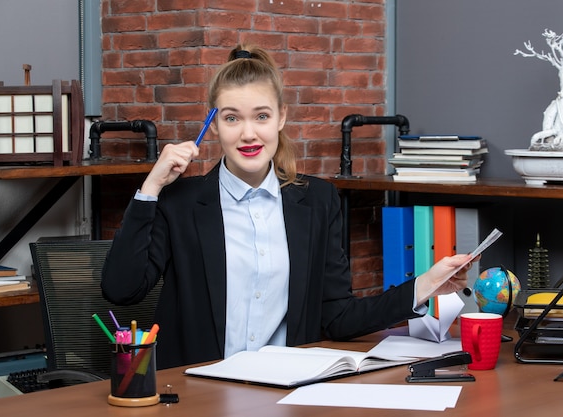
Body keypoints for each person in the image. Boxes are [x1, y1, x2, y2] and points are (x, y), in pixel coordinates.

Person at [101, 44, 475, 370]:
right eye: (232, 118)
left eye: (261, 116)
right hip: (200, 394)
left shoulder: (317, 201)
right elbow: (121, 289)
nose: (248, 133)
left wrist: (426, 285)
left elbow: (338, 317)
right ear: (213, 125)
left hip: (287, 392)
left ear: (281, 117)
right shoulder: (179, 202)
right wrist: (150, 187)